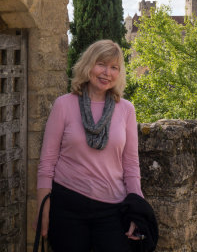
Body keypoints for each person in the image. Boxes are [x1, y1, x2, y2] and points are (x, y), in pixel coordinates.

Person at [35, 39, 144, 252]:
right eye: (101, 64)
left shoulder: (126, 110)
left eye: (114, 67)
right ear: (88, 65)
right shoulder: (64, 105)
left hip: (112, 209)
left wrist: (137, 211)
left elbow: (131, 165)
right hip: (67, 207)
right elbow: (47, 162)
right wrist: (43, 210)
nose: (107, 72)